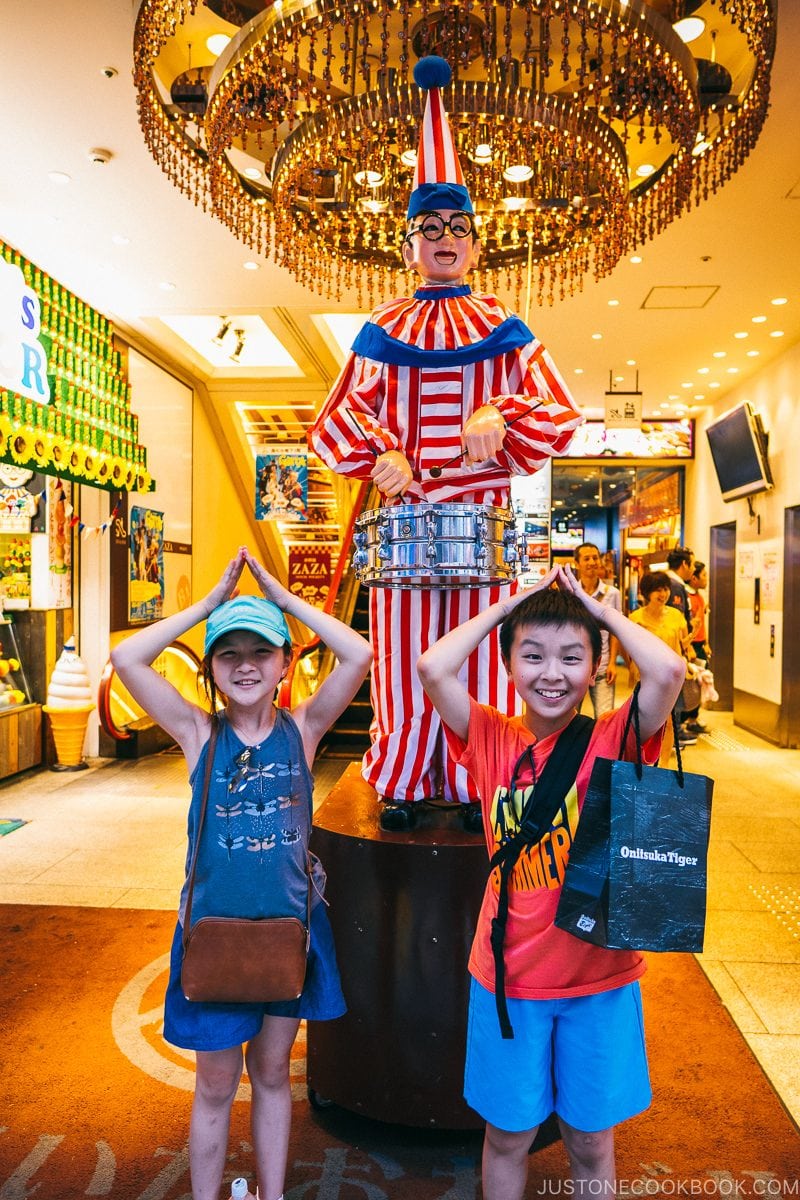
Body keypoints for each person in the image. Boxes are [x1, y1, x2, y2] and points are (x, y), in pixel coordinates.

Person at [308, 56, 581, 831]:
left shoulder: (505, 326)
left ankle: (477, 781)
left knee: (478, 663)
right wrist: (379, 451)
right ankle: (403, 774)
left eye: (458, 227)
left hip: (482, 525)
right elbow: (332, 422)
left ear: (476, 243)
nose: (445, 238)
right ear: (407, 246)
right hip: (403, 528)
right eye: (430, 228)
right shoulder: (380, 329)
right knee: (400, 660)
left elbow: (560, 412)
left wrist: (501, 409)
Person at [416, 565, 685, 1200]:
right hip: (508, 977)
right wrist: (514, 602)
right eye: (532, 655)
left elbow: (669, 673)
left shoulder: (615, 737)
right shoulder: (487, 735)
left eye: (572, 656)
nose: (552, 674)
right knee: (507, 1136)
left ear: (596, 666)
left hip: (600, 976)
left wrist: (600, 611)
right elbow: (432, 668)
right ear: (509, 663)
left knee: (591, 1141)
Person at [110, 547, 372, 1200]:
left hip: (287, 937)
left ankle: (271, 1193)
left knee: (275, 1075)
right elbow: (125, 659)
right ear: (213, 671)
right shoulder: (200, 733)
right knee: (217, 1085)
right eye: (229, 653)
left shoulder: (304, 728)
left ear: (285, 663)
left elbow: (360, 656)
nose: (246, 665)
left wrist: (284, 601)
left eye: (262, 652)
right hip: (214, 939)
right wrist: (205, 608)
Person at [626, 569, 696, 761]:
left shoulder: (676, 616)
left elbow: (684, 645)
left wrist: (689, 647)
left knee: (669, 723)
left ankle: (663, 763)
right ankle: (641, 760)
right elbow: (629, 650)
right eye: (657, 589)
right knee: (642, 722)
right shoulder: (636, 619)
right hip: (645, 680)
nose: (663, 594)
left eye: (665, 589)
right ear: (647, 593)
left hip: (669, 681)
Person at [572, 542, 621, 717]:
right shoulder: (571, 593)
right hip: (574, 668)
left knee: (605, 719)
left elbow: (615, 631)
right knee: (568, 719)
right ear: (577, 564)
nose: (592, 562)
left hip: (602, 667)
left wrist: (613, 663)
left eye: (595, 557)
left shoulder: (612, 593)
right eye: (586, 558)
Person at [683, 560, 711, 735]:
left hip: (700, 645)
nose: (706, 579)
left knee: (700, 684)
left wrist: (706, 642)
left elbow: (702, 622)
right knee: (689, 685)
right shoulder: (686, 598)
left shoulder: (700, 597)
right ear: (694, 578)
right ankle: (682, 720)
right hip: (690, 645)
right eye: (704, 575)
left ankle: (693, 719)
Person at [665, 545, 694, 624]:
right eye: (693, 564)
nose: (694, 569)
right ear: (684, 564)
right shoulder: (675, 586)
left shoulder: (670, 582)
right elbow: (677, 621)